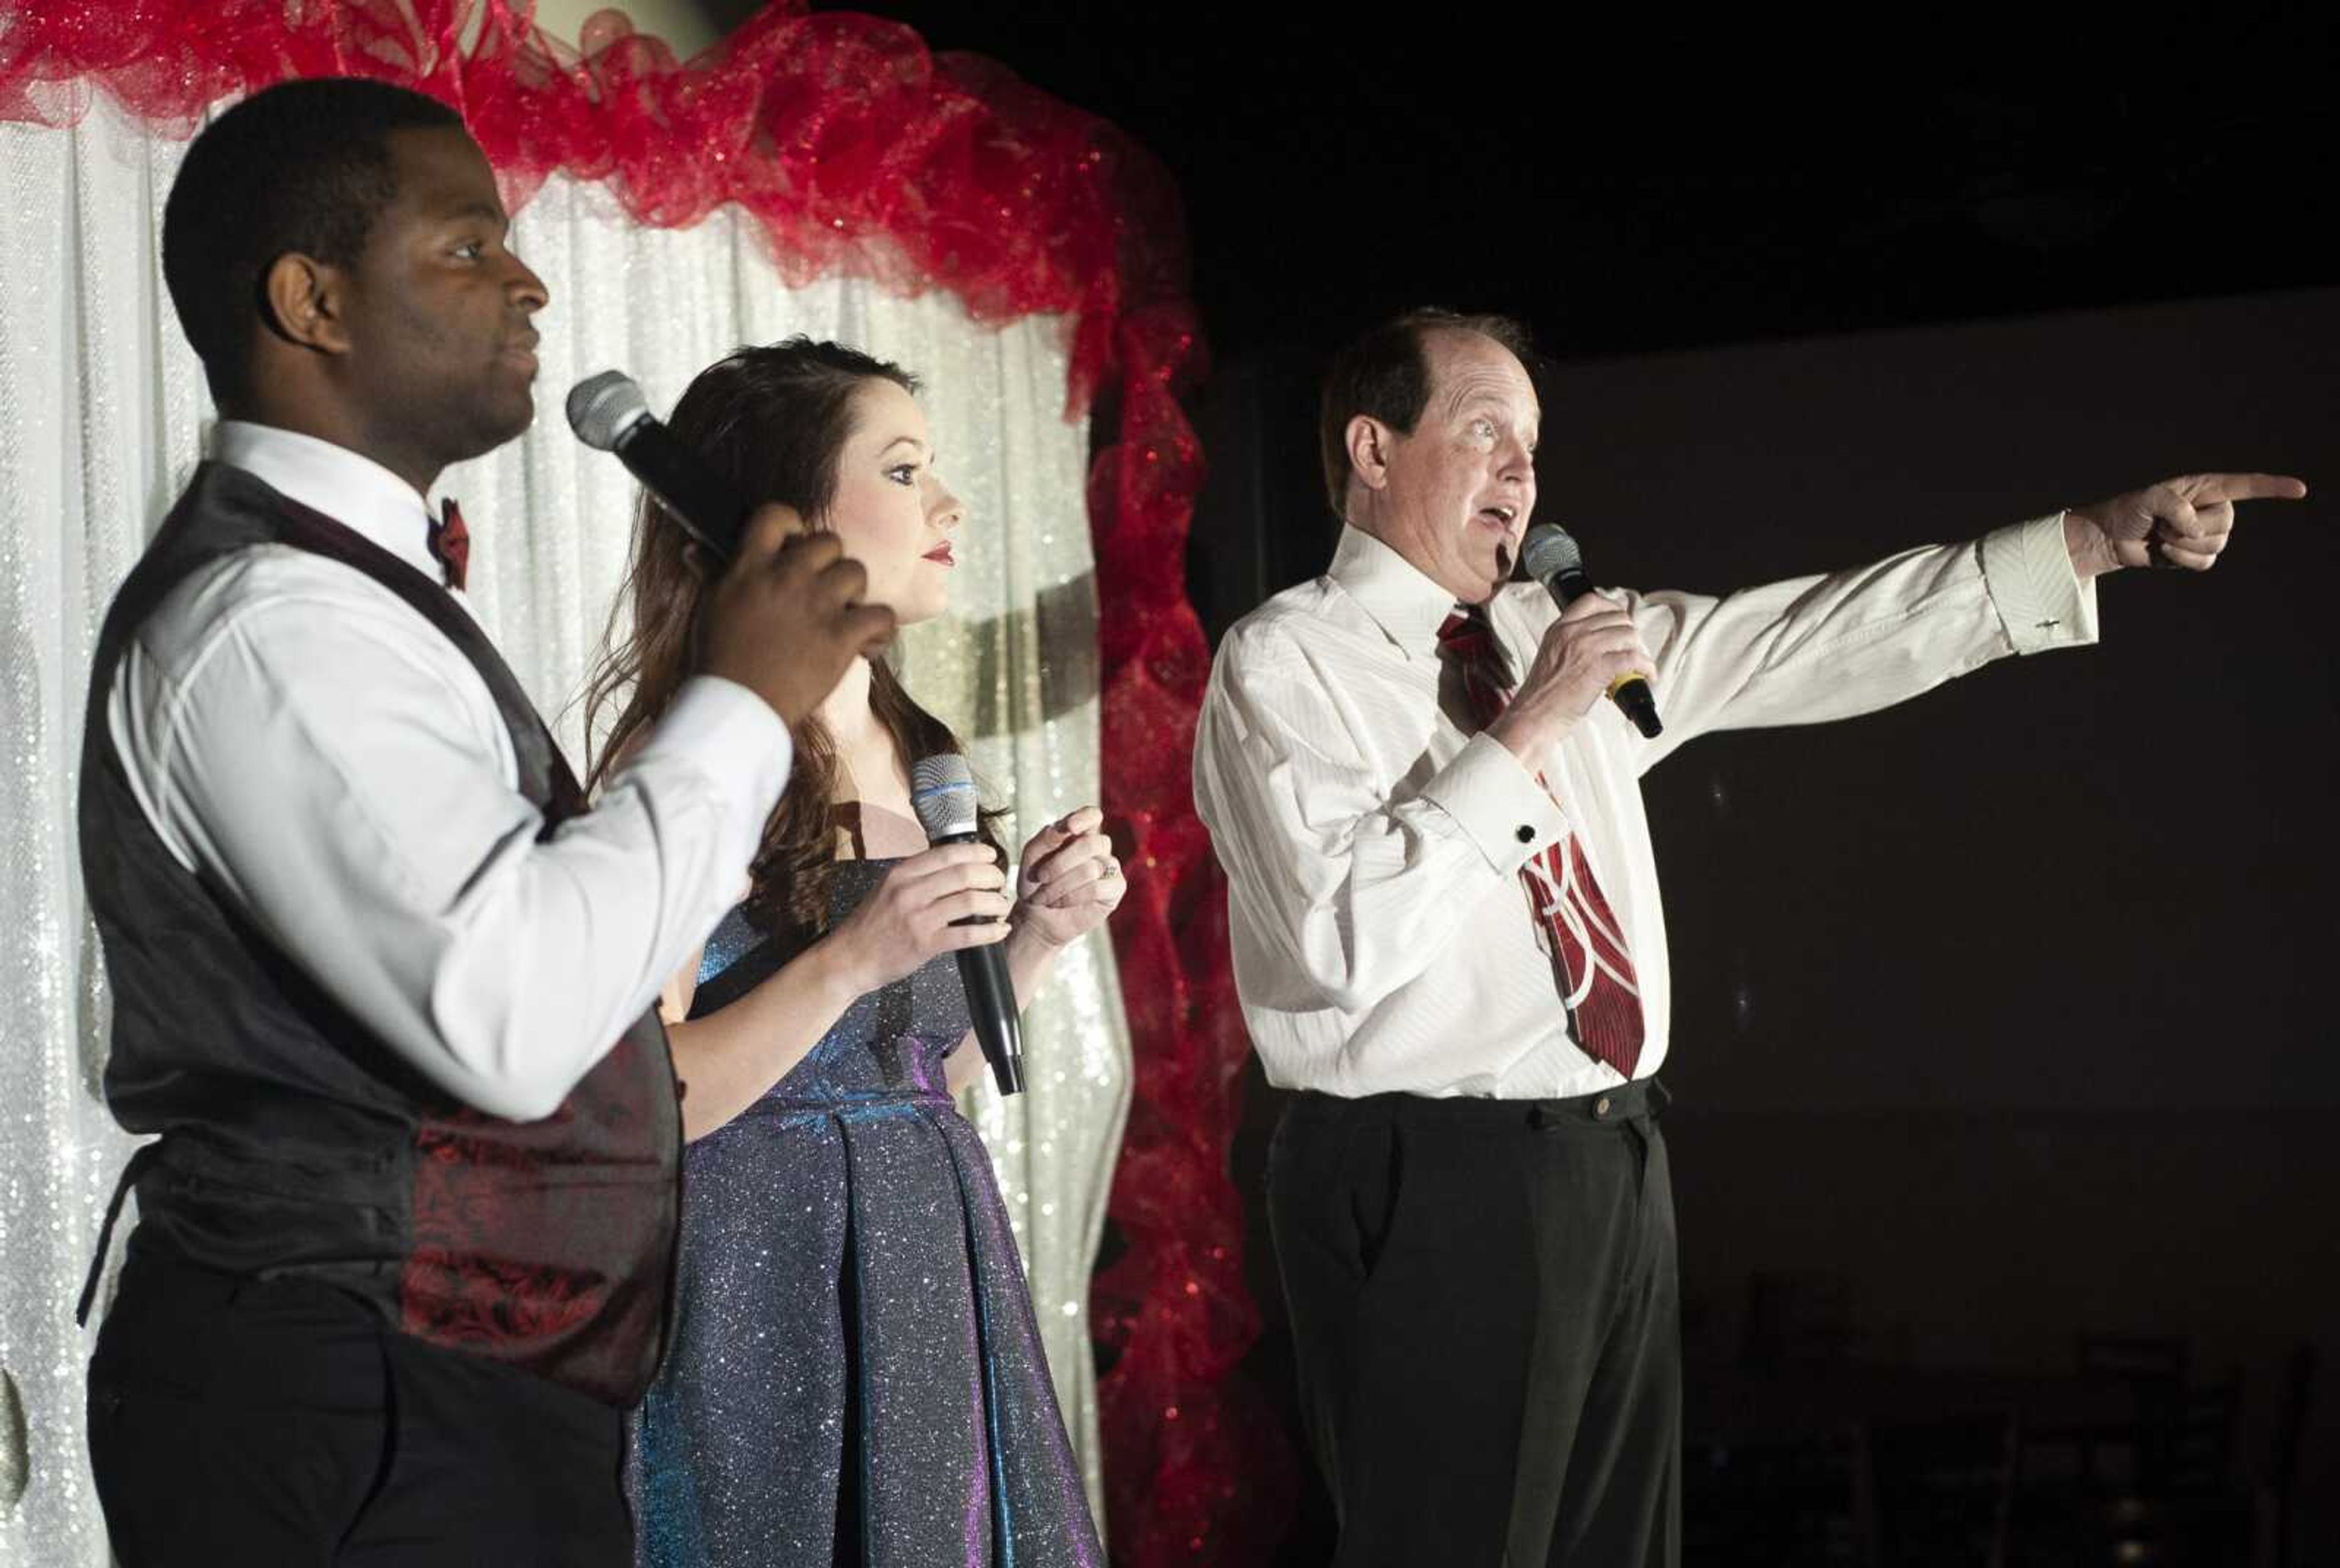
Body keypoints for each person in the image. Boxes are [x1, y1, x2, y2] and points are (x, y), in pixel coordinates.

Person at [1190, 307, 2305, 1567]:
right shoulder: (1289, 662)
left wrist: (2085, 546)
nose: (1523, 474)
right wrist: (1534, 727)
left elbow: (1815, 634)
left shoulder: (1553, 639)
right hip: (1426, 1170)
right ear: (1374, 451)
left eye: (1537, 447)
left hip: (1613, 1156)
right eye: (1487, 431)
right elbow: (1341, 943)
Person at [77, 79, 891, 1566]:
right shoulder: (267, 622)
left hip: (445, 1395)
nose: (529, 280)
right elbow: (509, 1018)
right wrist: (738, 703)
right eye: (467, 246)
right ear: (310, 301)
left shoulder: (355, 594)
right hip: (350, 1404)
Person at [589, 339, 1119, 1567]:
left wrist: (1034, 935)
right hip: (760, 1282)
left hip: (927, 1252)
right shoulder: (703, 759)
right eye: (902, 469)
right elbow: (644, 1098)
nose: (949, 504)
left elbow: (916, 1069)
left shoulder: (918, 747)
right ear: (786, 518)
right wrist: (848, 961)